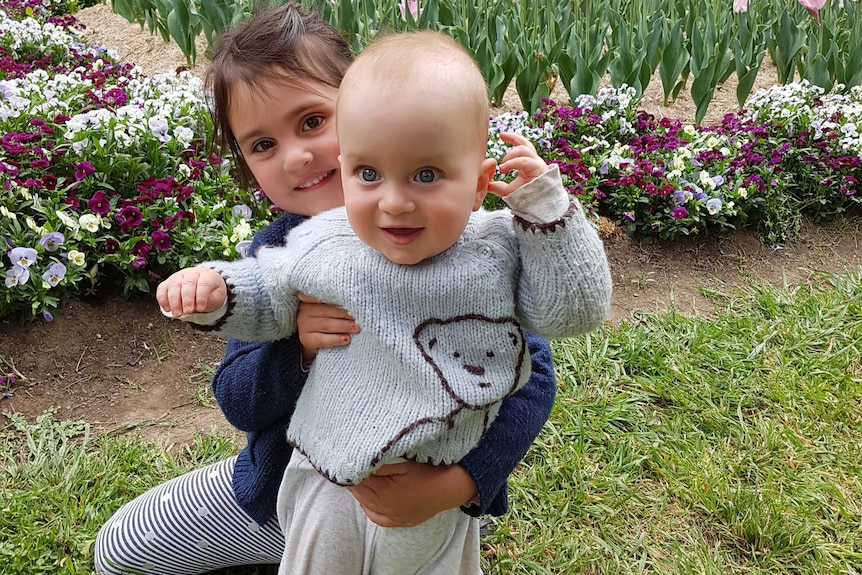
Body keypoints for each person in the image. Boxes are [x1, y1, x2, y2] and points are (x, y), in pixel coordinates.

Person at [93, 5, 561, 574]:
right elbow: (239, 400)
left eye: (313, 121)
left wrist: (457, 486)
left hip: (418, 497)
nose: (296, 156)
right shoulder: (278, 255)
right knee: (120, 549)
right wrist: (299, 349)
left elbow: (529, 377)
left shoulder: (454, 241)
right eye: (261, 144)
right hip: (285, 491)